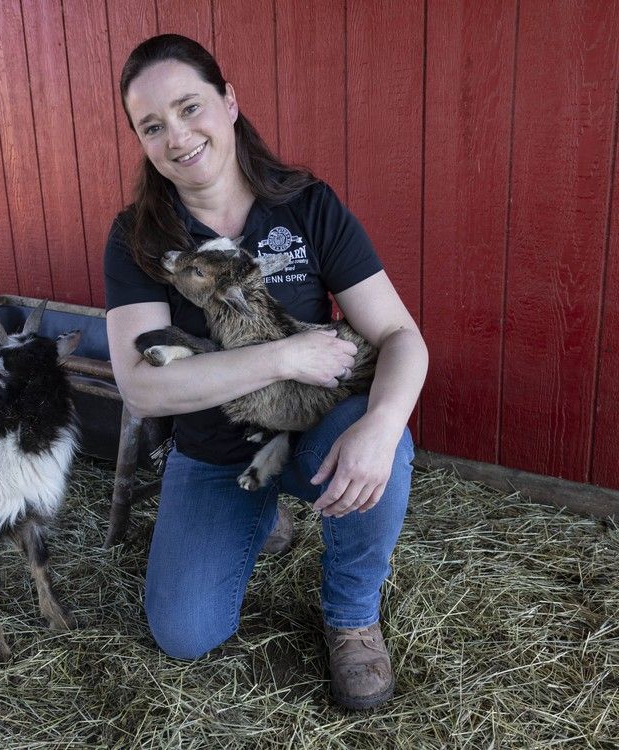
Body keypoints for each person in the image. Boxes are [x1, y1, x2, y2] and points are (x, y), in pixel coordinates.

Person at [103, 34, 428, 711]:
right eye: (153, 126)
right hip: (211, 452)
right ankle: (258, 515)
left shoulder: (305, 207)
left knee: (384, 443)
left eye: (191, 108)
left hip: (309, 432)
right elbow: (139, 383)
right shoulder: (139, 237)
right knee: (185, 633)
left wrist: (384, 424)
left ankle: (351, 617)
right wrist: (281, 356)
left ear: (227, 102)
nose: (178, 137)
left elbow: (401, 336)